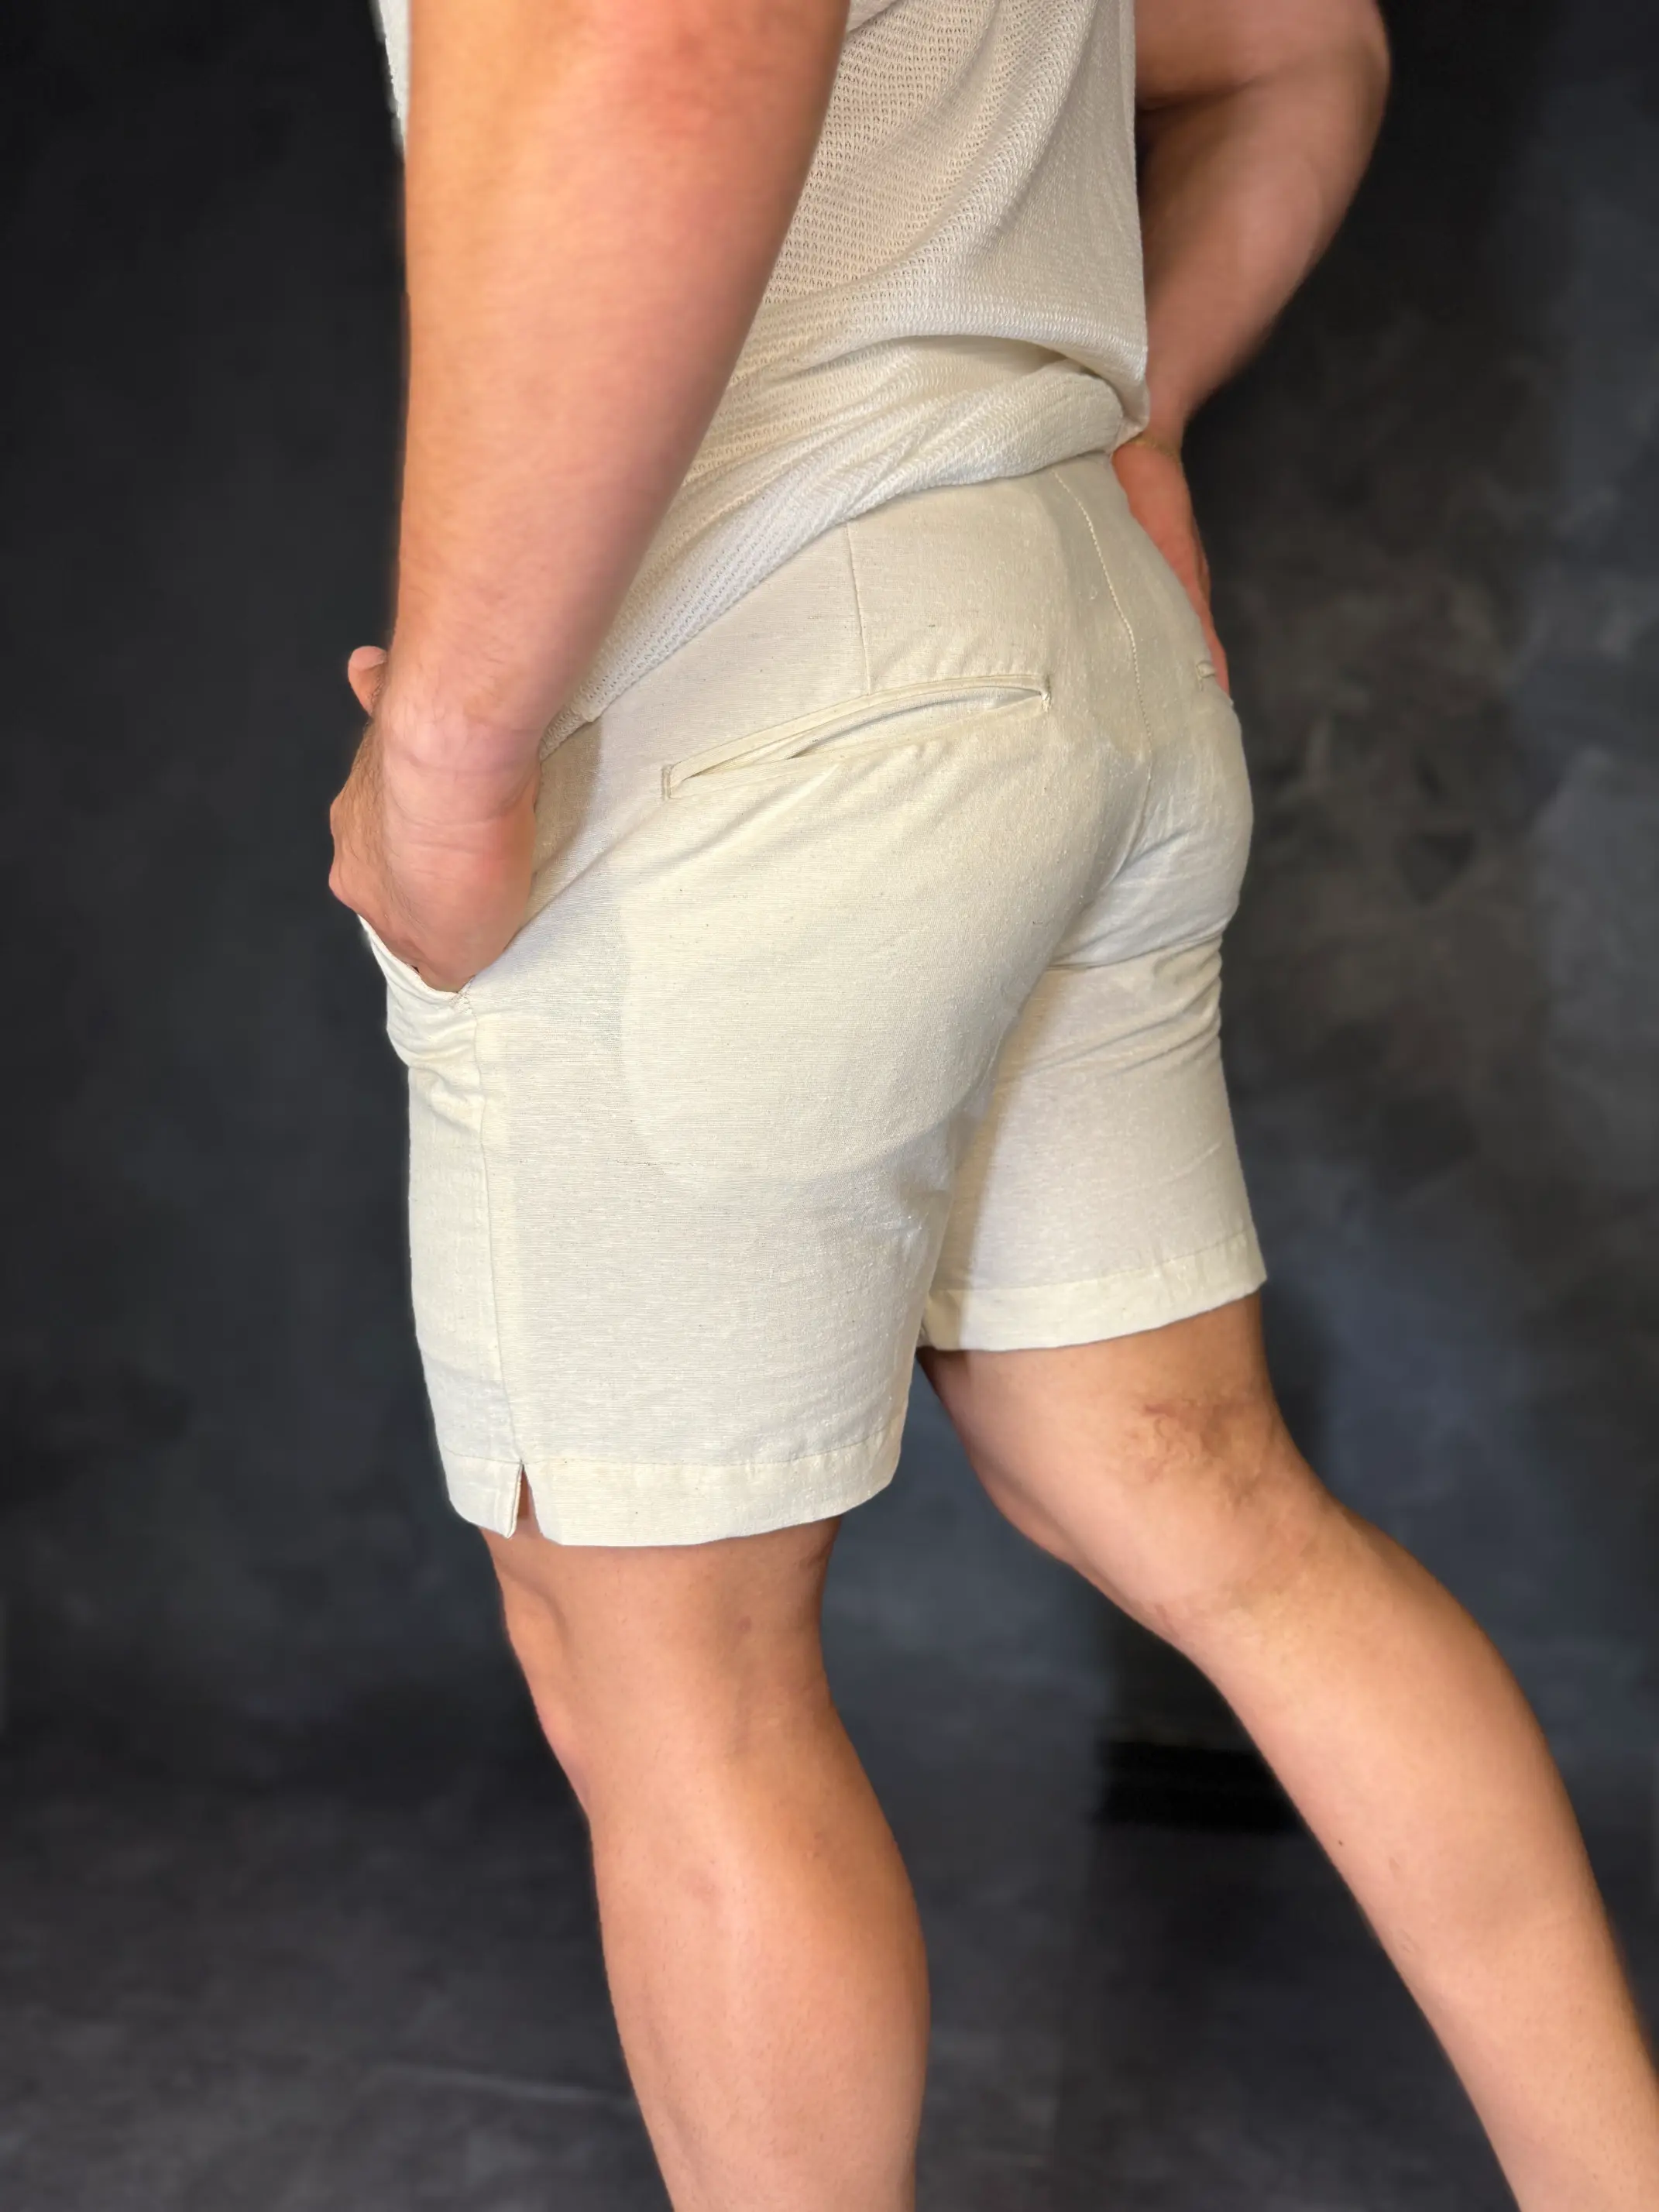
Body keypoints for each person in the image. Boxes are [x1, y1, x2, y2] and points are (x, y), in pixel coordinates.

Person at [331, 0, 1659, 2203]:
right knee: (1203, 1496)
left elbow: (670, 43)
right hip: (1066, 634)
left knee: (670, 1670)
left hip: (743, 693)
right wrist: (1134, 417)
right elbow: (1305, 41)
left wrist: (452, 753)